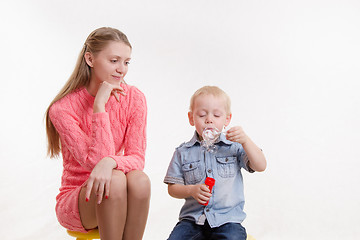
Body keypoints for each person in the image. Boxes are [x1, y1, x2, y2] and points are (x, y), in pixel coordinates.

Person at [45, 27, 150, 240]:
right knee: (116, 180)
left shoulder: (135, 98)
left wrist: (109, 162)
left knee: (139, 180)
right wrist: (99, 106)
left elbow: (137, 158)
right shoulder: (62, 109)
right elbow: (94, 162)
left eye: (126, 62)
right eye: (114, 61)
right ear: (90, 59)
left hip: (116, 186)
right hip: (78, 200)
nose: (122, 69)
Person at [164, 86, 267, 240]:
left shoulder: (234, 146)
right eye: (202, 115)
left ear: (227, 119)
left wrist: (246, 141)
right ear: (191, 118)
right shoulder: (182, 152)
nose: (209, 119)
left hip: (228, 220)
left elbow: (261, 166)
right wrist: (191, 190)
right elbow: (172, 189)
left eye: (217, 115)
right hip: (192, 221)